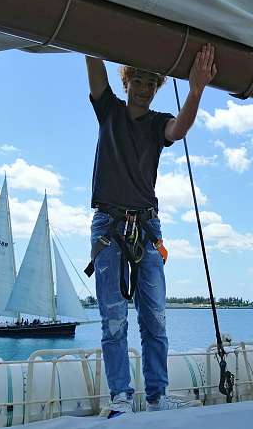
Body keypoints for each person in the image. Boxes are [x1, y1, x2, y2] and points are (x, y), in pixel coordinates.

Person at [85, 44, 217, 418]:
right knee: (113, 319)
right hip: (108, 226)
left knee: (154, 316)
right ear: (126, 81)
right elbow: (91, 57)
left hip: (146, 226)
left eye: (150, 83)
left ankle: (157, 396)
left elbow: (180, 128)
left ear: (157, 88)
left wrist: (196, 90)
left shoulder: (159, 123)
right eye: (138, 80)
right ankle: (120, 399)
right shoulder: (108, 110)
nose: (143, 87)